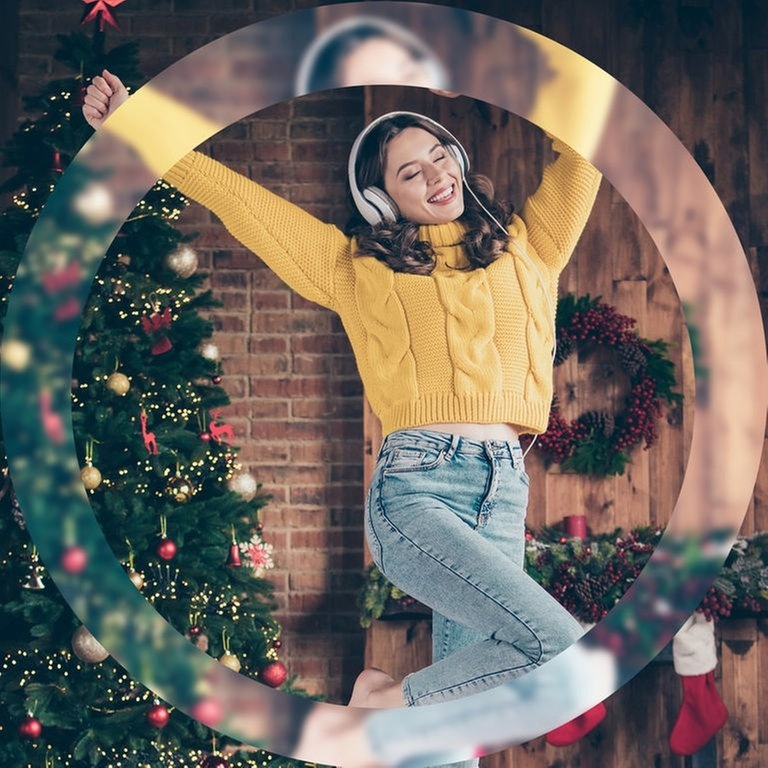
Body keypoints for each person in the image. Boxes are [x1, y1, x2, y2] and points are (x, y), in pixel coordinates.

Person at [83, 71, 607, 762]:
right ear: (381, 198)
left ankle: (400, 716)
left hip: (504, 487)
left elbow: (592, 146)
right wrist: (136, 128)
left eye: (439, 155)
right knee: (557, 646)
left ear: (461, 159)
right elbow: (244, 204)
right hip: (419, 487)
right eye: (409, 172)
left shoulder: (529, 247)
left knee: (455, 739)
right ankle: (386, 706)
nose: (434, 175)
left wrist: (545, 67)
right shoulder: (356, 268)